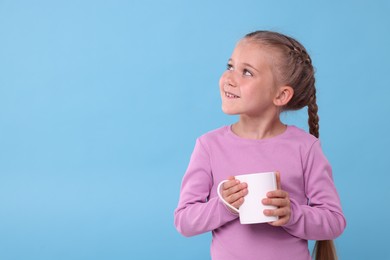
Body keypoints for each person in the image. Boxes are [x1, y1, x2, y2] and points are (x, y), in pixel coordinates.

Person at [174, 30, 346, 260]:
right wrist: (224, 206)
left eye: (246, 72)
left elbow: (334, 222)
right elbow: (184, 222)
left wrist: (293, 214)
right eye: (230, 66)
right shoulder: (209, 146)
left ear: (281, 95)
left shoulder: (305, 148)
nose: (230, 78)